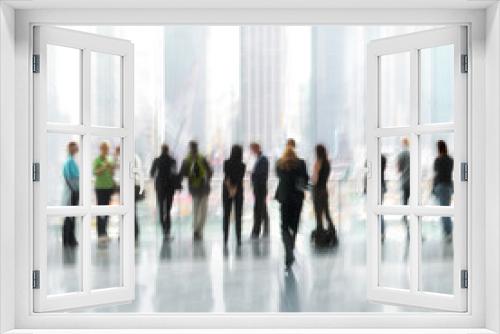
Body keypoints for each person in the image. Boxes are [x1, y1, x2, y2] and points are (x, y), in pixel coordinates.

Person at [275, 142, 309, 270]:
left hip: (284, 197)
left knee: (284, 226)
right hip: (297, 198)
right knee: (294, 225)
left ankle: (288, 252)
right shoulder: (301, 163)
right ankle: (291, 248)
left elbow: (279, 176)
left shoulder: (279, 163)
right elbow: (305, 179)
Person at [180, 141, 213, 241]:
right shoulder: (202, 158)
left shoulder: (186, 160)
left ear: (189, 148)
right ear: (197, 148)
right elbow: (210, 171)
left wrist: (191, 176)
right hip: (204, 187)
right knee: (203, 211)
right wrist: (206, 178)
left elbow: (183, 173)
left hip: (193, 188)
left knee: (195, 209)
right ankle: (199, 230)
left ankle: (196, 229)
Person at [150, 144, 178, 240]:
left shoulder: (157, 160)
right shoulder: (172, 161)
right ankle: (168, 230)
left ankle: (164, 230)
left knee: (161, 209)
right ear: (168, 150)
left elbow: (151, 173)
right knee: (168, 210)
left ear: (161, 150)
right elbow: (175, 174)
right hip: (170, 188)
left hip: (160, 187)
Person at [222, 145, 246, 247]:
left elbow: (227, 176)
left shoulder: (226, 163)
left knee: (226, 215)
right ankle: (238, 238)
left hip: (226, 190)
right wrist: (235, 189)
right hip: (238, 191)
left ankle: (225, 238)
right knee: (238, 215)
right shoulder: (242, 165)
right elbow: (239, 178)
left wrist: (230, 189)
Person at [93, 141, 115, 243]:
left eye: (107, 148)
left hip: (108, 188)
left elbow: (112, 172)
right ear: (101, 149)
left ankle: (105, 232)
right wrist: (104, 166)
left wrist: (110, 168)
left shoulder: (110, 159)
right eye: (104, 148)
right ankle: (100, 233)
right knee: (100, 211)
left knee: (107, 211)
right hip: (100, 188)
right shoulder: (97, 160)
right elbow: (95, 172)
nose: (106, 150)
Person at [432, 140, 454, 241]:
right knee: (446, 209)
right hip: (449, 186)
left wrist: (433, 188)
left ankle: (448, 232)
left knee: (444, 211)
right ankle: (448, 232)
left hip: (441, 186)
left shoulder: (438, 160)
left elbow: (436, 174)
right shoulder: (450, 159)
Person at [311, 144, 335, 234]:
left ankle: (320, 232)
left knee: (318, 214)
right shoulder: (327, 163)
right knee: (326, 212)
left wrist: (313, 173)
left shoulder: (318, 163)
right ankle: (332, 229)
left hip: (317, 191)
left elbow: (314, 180)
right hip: (324, 190)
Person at [250, 142, 270, 239]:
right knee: (262, 208)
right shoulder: (260, 159)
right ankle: (265, 229)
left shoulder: (263, 159)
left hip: (260, 188)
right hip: (259, 188)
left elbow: (261, 175)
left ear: (257, 148)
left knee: (258, 209)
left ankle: (257, 231)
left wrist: (253, 175)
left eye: (253, 149)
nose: (252, 151)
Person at [62, 142, 80, 247]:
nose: (76, 149)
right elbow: (68, 178)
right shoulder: (69, 162)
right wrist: (75, 190)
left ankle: (71, 239)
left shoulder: (72, 161)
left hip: (74, 191)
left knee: (72, 216)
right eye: (75, 147)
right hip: (72, 192)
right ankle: (68, 240)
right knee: (69, 216)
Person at [397, 138, 410, 238]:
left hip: (405, 182)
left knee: (405, 205)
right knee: (414, 205)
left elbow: (399, 169)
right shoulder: (413, 153)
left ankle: (407, 226)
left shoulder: (401, 155)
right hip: (413, 183)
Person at [380, 154, 387, 241]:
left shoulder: (371, 158)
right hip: (381, 186)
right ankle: (381, 232)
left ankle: (381, 232)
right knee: (380, 211)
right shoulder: (383, 158)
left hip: (377, 187)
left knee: (378, 211)